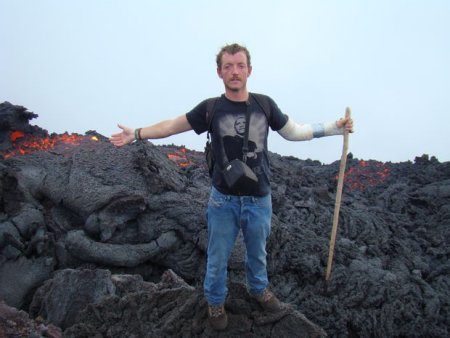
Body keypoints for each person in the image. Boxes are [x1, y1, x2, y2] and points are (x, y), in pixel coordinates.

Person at [110, 43, 353, 331]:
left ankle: (259, 290)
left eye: (240, 66)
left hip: (259, 199)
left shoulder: (265, 104)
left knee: (257, 254)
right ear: (219, 72)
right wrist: (137, 133)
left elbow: (295, 132)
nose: (234, 72)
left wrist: (335, 127)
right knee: (217, 257)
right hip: (222, 201)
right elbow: (172, 126)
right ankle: (215, 302)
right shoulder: (211, 108)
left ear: (249, 70)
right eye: (228, 66)